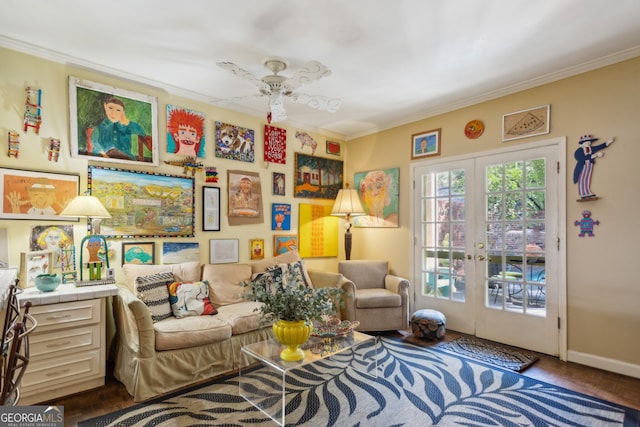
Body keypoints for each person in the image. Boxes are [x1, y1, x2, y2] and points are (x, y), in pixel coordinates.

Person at [573, 134, 614, 199]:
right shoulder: (579, 151)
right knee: (582, 178)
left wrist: (607, 143)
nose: (588, 143)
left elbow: (599, 147)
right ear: (583, 143)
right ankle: (582, 192)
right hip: (583, 165)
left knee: (587, 178)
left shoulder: (590, 149)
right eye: (587, 142)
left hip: (590, 165)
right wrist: (595, 155)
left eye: (589, 142)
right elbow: (580, 158)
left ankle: (587, 191)